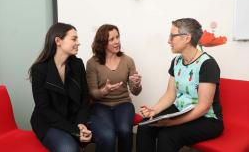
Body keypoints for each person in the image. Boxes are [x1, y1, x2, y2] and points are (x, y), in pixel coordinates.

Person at [136, 18, 224, 152]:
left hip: (207, 119)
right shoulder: (176, 61)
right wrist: (155, 110)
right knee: (145, 126)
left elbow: (203, 107)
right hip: (181, 110)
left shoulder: (208, 64)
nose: (168, 40)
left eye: (172, 36)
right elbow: (170, 94)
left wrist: (172, 123)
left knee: (167, 135)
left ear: (187, 38)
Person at [29, 23, 92, 152]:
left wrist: (81, 124)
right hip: (47, 122)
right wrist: (74, 130)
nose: (78, 43)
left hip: (74, 118)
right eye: (74, 39)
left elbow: (85, 98)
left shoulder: (77, 64)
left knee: (105, 134)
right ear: (58, 41)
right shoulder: (39, 69)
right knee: (69, 149)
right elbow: (44, 109)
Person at [86, 24, 142, 152]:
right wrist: (105, 90)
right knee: (108, 135)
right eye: (111, 39)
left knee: (125, 131)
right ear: (102, 43)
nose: (117, 41)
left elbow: (135, 91)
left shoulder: (128, 61)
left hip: (123, 103)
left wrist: (137, 84)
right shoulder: (92, 63)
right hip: (100, 105)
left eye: (117, 37)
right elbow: (92, 93)